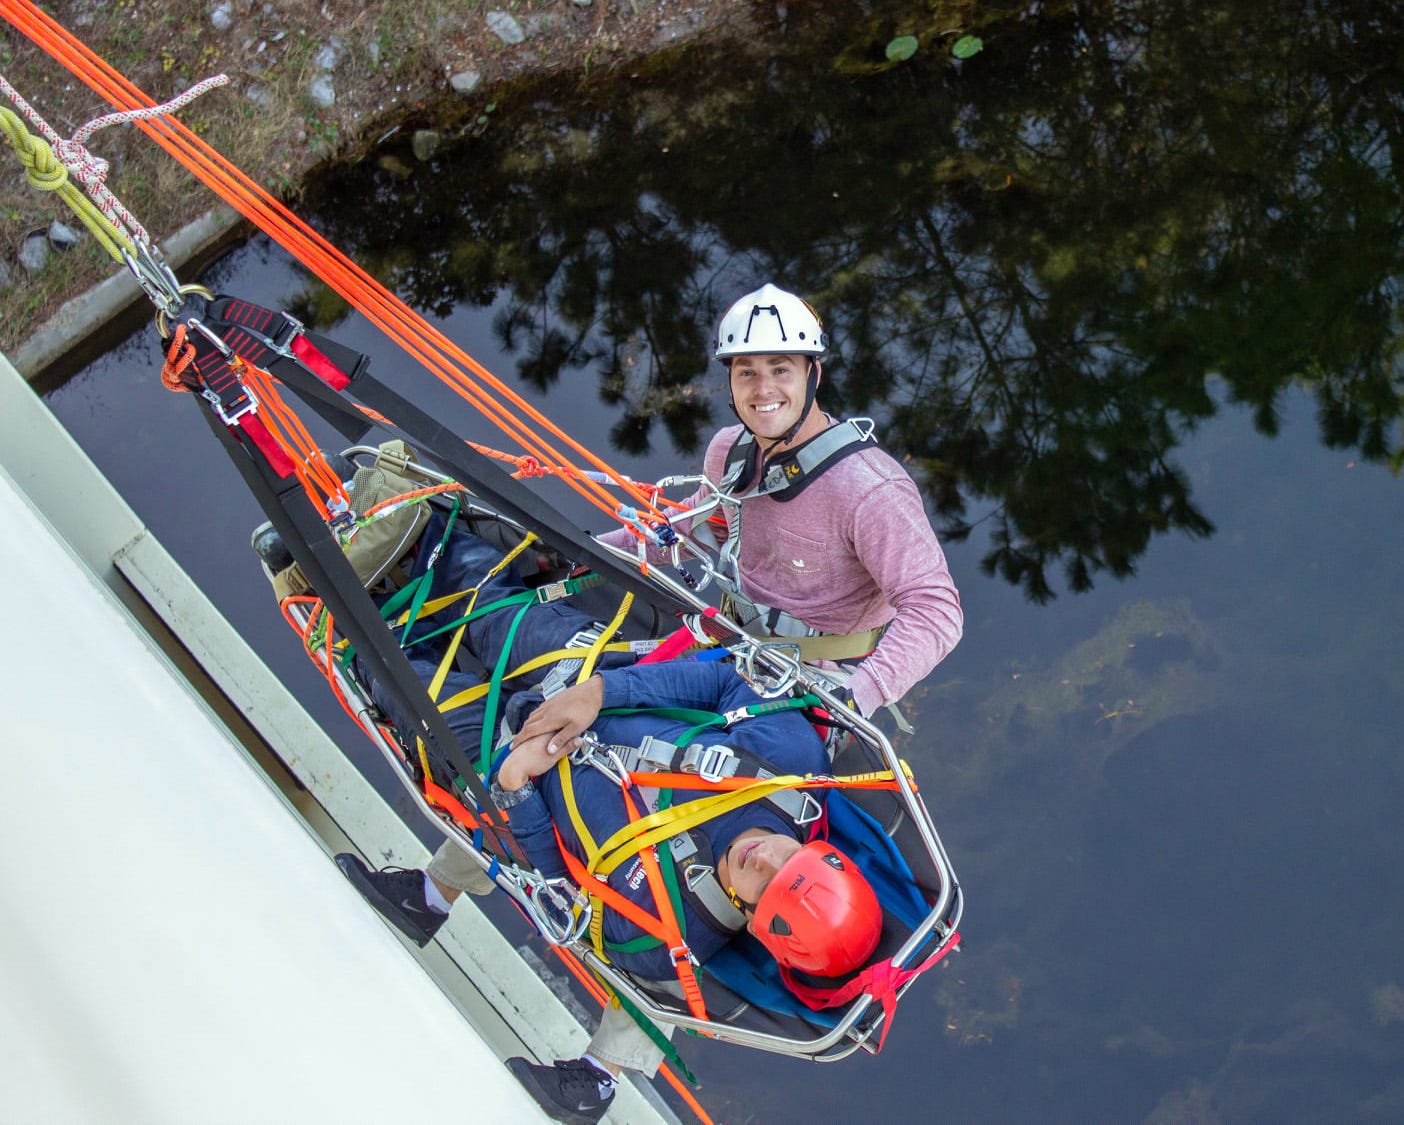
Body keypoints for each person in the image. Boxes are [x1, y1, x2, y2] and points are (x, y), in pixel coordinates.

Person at [329, 517, 883, 1125]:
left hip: (506, 760)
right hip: (585, 675)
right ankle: (397, 519)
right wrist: (599, 693)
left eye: (768, 883)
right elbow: (723, 677)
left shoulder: (665, 938)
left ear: (752, 922)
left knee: (386, 668)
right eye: (792, 857)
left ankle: (428, 895)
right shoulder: (788, 766)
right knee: (478, 593)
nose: (765, 857)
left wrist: (516, 787)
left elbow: (552, 887)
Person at [597, 282, 963, 720]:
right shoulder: (729, 451)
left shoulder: (869, 490)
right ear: (730, 382)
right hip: (730, 642)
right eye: (746, 372)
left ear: (813, 375)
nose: (763, 389)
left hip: (818, 677)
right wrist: (589, 551)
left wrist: (855, 699)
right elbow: (692, 530)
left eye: (781, 369)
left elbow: (935, 609)